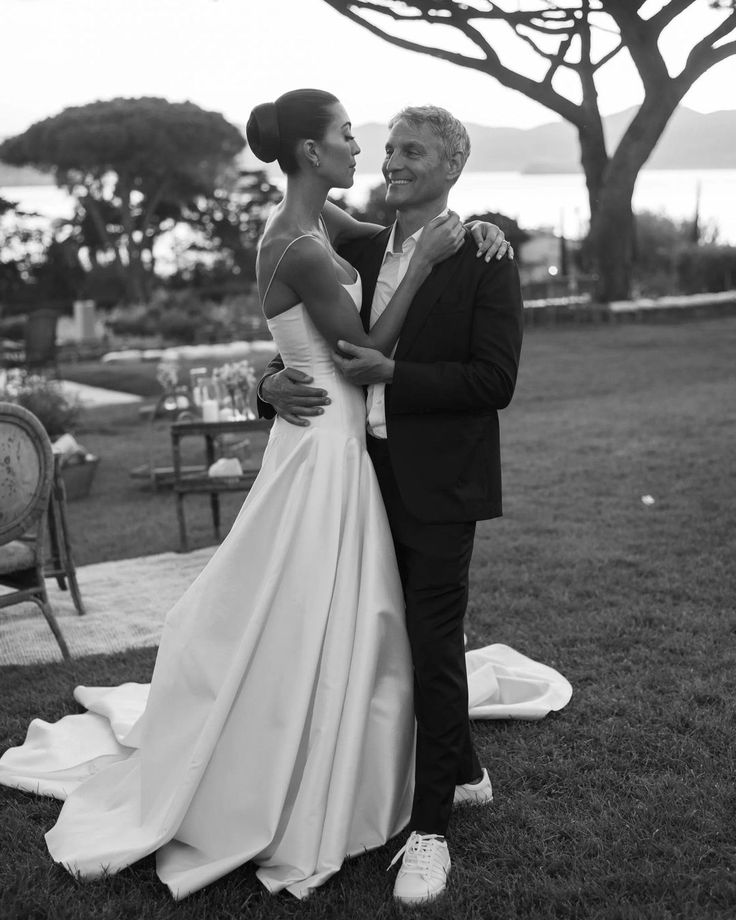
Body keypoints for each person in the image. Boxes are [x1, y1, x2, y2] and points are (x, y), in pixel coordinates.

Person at [0, 89, 516, 903]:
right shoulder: (312, 242)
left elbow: (432, 289)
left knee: (378, 623)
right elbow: (350, 346)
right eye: (356, 138)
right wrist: (279, 378)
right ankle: (311, 768)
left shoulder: (361, 233)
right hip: (332, 459)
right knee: (318, 615)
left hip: (384, 464)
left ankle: (426, 782)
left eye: (389, 146)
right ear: (311, 153)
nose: (371, 153)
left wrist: (478, 229)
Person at [258, 102, 524, 904]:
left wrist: (398, 377)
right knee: (383, 637)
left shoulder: (483, 254)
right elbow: (289, 305)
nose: (392, 162)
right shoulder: (362, 245)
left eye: (412, 152)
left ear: (451, 168)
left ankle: (430, 832)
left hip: (440, 485)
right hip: (358, 476)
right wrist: (263, 386)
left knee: (433, 642)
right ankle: (464, 767)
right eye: (389, 149)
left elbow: (495, 383)